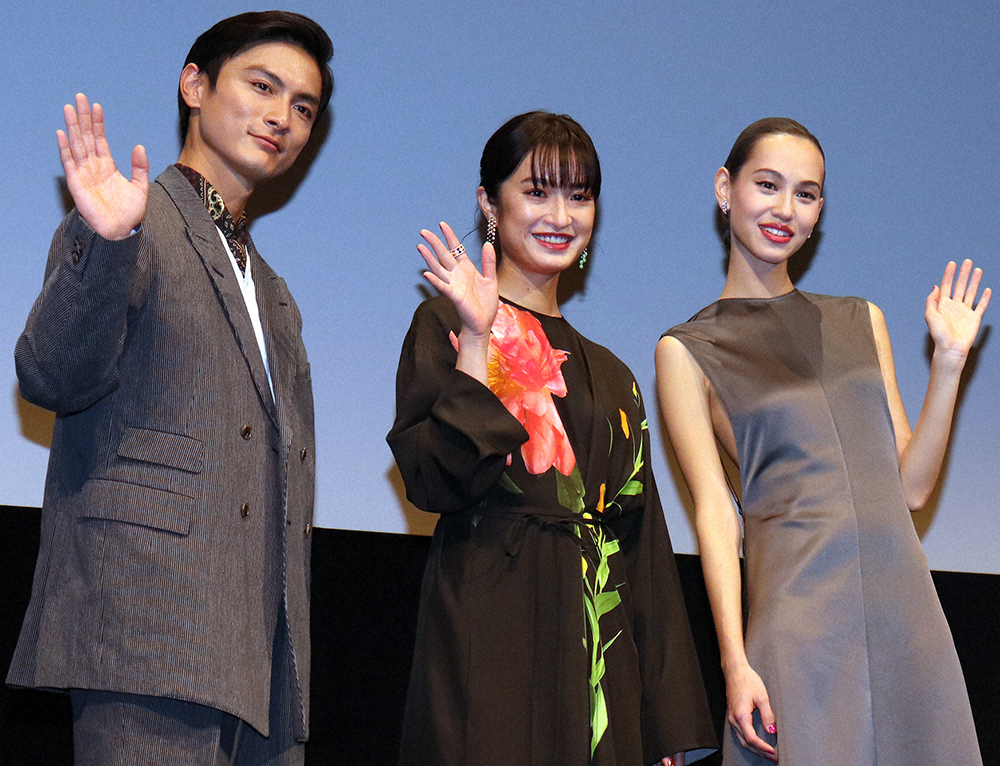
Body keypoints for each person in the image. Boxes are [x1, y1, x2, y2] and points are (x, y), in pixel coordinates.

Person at [7, 11, 333, 765]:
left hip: (261, 665)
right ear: (194, 85)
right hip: (146, 634)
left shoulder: (275, 293)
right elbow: (50, 375)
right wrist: (107, 240)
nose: (282, 118)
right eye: (262, 87)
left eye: (304, 107)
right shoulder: (130, 220)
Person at [656, 117, 989, 765]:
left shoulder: (862, 319)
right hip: (800, 626)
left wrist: (949, 365)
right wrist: (734, 662)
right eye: (767, 185)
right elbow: (716, 513)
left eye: (806, 194)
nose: (786, 209)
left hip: (906, 618)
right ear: (725, 189)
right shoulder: (688, 350)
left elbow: (911, 488)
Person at [387, 111, 717, 766]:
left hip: (597, 649)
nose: (561, 216)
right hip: (485, 633)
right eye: (537, 192)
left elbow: (643, 549)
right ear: (490, 203)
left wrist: (666, 724)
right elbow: (434, 482)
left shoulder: (615, 375)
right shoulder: (445, 325)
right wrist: (478, 340)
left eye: (579, 195)